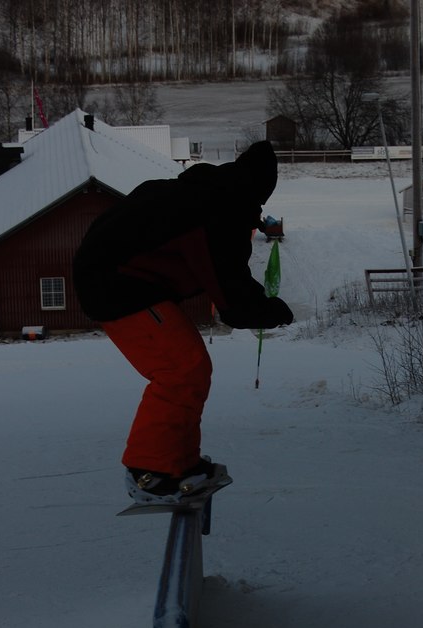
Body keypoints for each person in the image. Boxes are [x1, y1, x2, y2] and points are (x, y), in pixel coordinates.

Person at [72, 140, 294, 504]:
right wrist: (272, 311)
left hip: (118, 278)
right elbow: (232, 296)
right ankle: (149, 473)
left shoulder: (205, 193)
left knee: (190, 367)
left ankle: (177, 463)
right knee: (181, 369)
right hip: (115, 283)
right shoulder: (220, 209)